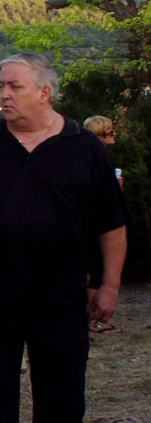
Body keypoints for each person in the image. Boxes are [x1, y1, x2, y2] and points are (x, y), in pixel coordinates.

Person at [0, 53, 127, 422]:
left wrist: (111, 286)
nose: (4, 94)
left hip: (61, 297)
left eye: (14, 86)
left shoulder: (84, 147)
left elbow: (112, 224)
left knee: (61, 400)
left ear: (44, 92)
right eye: (2, 85)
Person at [83, 115, 125, 335]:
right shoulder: (95, 160)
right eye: (110, 132)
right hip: (93, 227)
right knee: (95, 268)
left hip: (94, 225)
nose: (114, 136)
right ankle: (92, 318)